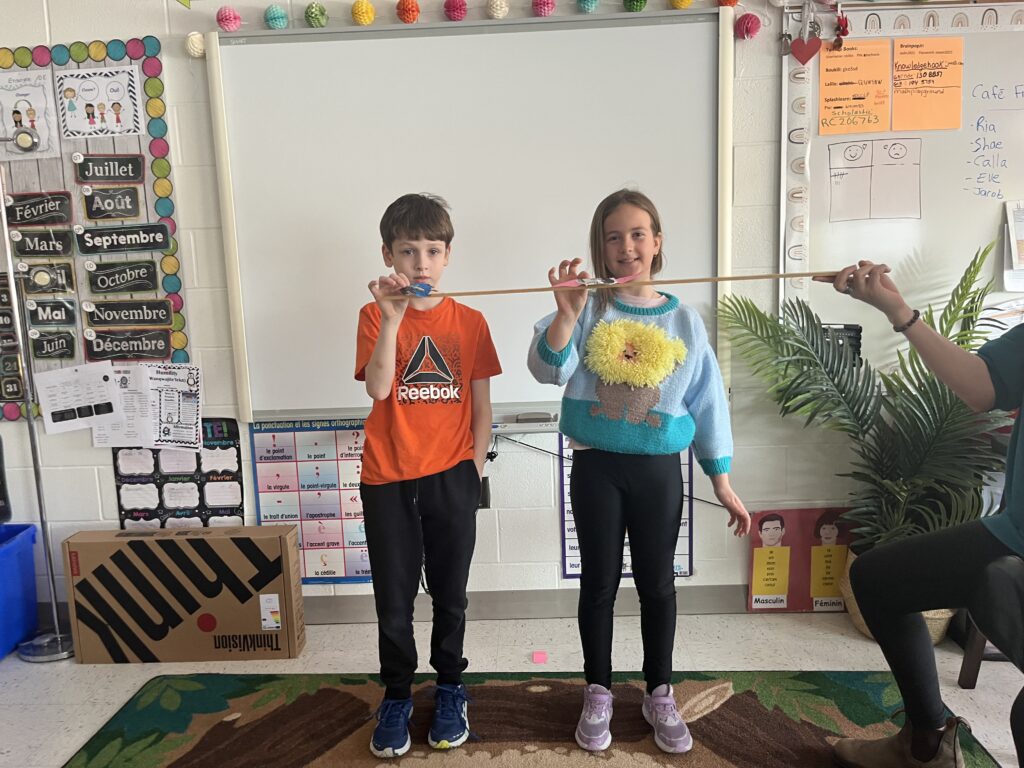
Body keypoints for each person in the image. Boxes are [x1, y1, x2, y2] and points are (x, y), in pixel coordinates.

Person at [527, 189, 751, 755]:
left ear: (656, 242)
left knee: (658, 585)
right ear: (600, 247)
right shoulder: (587, 307)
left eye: (637, 234)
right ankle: (598, 691)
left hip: (658, 472)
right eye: (613, 237)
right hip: (595, 467)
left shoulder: (684, 320)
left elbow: (707, 402)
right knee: (598, 583)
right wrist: (565, 314)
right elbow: (547, 370)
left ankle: (659, 692)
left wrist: (722, 480)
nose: (625, 246)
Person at [820, 261, 1024, 768]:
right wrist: (896, 309)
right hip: (1014, 536)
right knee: (879, 580)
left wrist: (899, 312)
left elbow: (979, 388)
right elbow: (982, 388)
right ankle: (925, 742)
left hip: (1016, 545)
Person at [356, 193, 502, 758]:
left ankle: (449, 687)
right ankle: (396, 693)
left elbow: (482, 407)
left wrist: (474, 465)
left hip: (452, 477)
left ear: (447, 256)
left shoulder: (471, 322)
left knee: (450, 594)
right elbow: (378, 388)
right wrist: (393, 321)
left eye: (432, 251)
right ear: (387, 254)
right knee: (393, 600)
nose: (421, 263)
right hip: (387, 478)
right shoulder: (375, 314)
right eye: (408, 251)